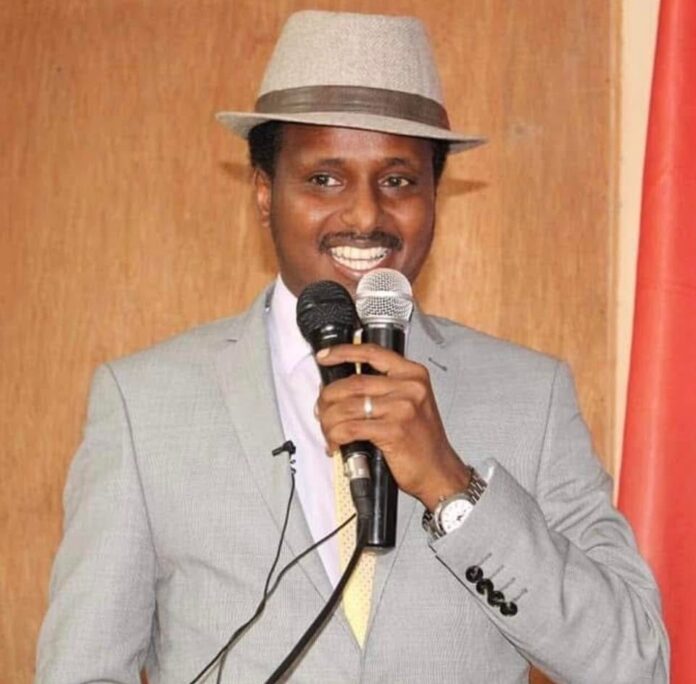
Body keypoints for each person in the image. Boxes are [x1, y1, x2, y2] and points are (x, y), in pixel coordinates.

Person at [36, 10, 668, 683]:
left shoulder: (530, 397)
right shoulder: (146, 404)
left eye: (397, 180)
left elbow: (635, 663)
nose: (366, 215)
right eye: (324, 179)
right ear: (264, 193)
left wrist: (451, 486)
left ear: (435, 196)